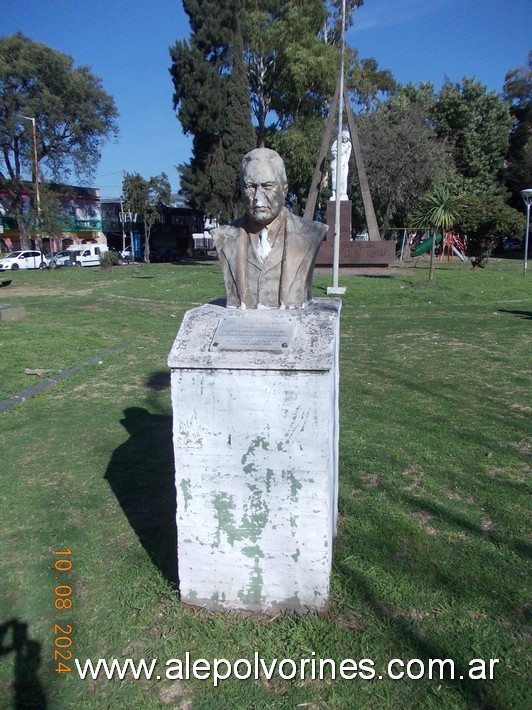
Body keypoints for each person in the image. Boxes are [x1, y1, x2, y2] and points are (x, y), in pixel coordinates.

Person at [211, 148, 327, 309]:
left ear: (284, 189)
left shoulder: (311, 234)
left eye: (267, 186)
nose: (258, 199)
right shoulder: (222, 237)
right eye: (250, 187)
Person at [330, 129, 352, 201]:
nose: (345, 140)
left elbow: (348, 155)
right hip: (337, 163)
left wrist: (345, 163)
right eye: (344, 138)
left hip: (344, 164)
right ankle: (335, 193)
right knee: (335, 179)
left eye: (346, 138)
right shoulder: (336, 142)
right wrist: (338, 154)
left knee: (343, 179)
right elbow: (333, 151)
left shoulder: (349, 144)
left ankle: (342, 193)